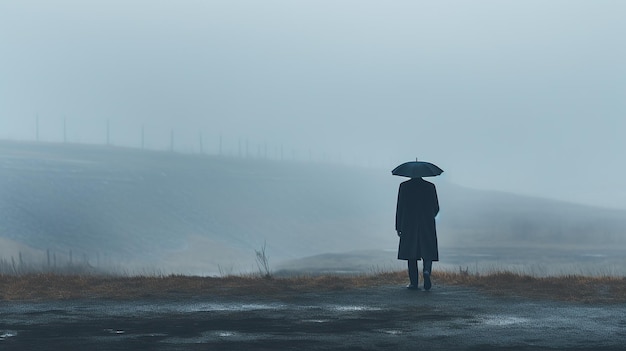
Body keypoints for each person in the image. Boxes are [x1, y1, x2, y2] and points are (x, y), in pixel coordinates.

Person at [395, 177, 439, 290]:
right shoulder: (430, 186)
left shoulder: (404, 186)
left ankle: (414, 283)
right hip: (427, 223)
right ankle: (426, 271)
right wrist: (429, 216)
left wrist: (398, 226)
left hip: (409, 223)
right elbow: (436, 208)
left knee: (411, 253)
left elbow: (400, 208)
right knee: (428, 250)